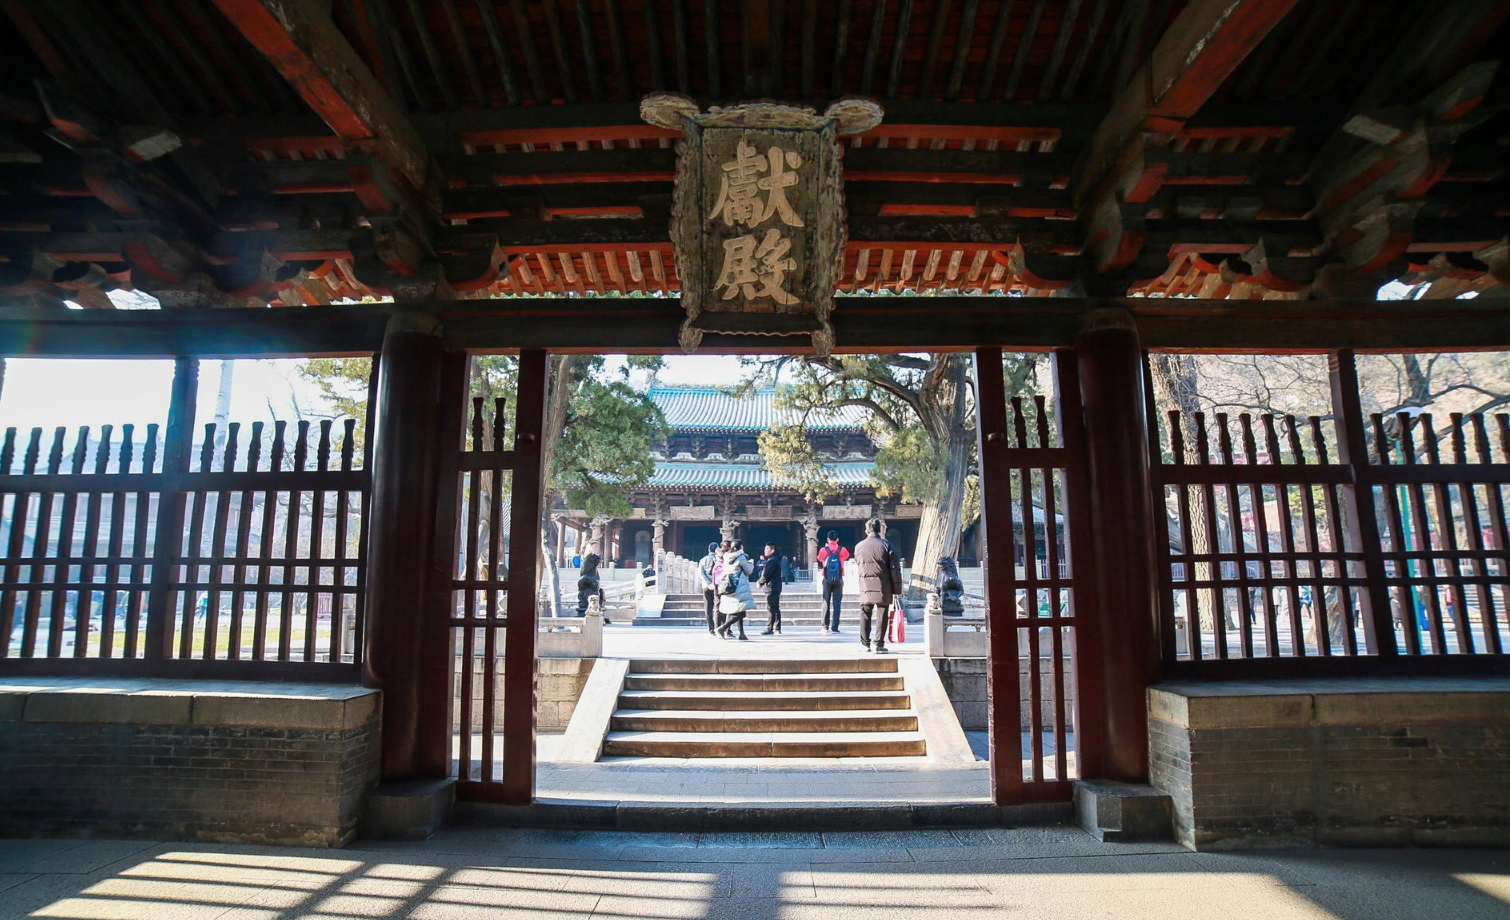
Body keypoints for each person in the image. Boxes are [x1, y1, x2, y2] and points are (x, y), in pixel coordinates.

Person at [853, 518, 903, 653]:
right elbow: (895, 570)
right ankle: (878, 644)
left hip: (865, 585)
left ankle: (865, 644)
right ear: (880, 530)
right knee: (882, 614)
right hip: (883, 585)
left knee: (865, 614)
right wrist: (897, 590)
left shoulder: (858, 546)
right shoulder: (887, 545)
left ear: (866, 531)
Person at [716, 540, 754, 641]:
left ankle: (742, 634)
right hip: (738, 586)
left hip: (729, 585)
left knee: (738, 609)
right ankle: (722, 628)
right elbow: (748, 570)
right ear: (741, 547)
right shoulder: (741, 557)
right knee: (740, 612)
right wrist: (751, 563)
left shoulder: (726, 556)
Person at [816, 530, 850, 633]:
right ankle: (835, 627)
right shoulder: (842, 550)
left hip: (827, 578)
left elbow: (819, 558)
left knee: (825, 601)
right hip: (839, 578)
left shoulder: (824, 550)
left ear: (828, 539)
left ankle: (825, 626)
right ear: (837, 539)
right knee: (837, 603)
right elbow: (847, 556)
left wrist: (827, 548)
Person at [756, 542, 785, 635]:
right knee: (775, 607)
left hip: (772, 586)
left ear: (772, 550)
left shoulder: (772, 560)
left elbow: (766, 574)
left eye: (767, 549)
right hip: (776, 586)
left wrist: (760, 582)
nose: (765, 551)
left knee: (771, 608)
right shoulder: (775, 559)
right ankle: (777, 628)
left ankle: (770, 628)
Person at [697, 541, 722, 634]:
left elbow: (701, 573)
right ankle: (719, 627)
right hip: (717, 585)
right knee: (718, 607)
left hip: (706, 586)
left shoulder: (703, 560)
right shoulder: (719, 559)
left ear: (708, 549)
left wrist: (708, 583)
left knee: (708, 607)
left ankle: (711, 629)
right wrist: (713, 582)